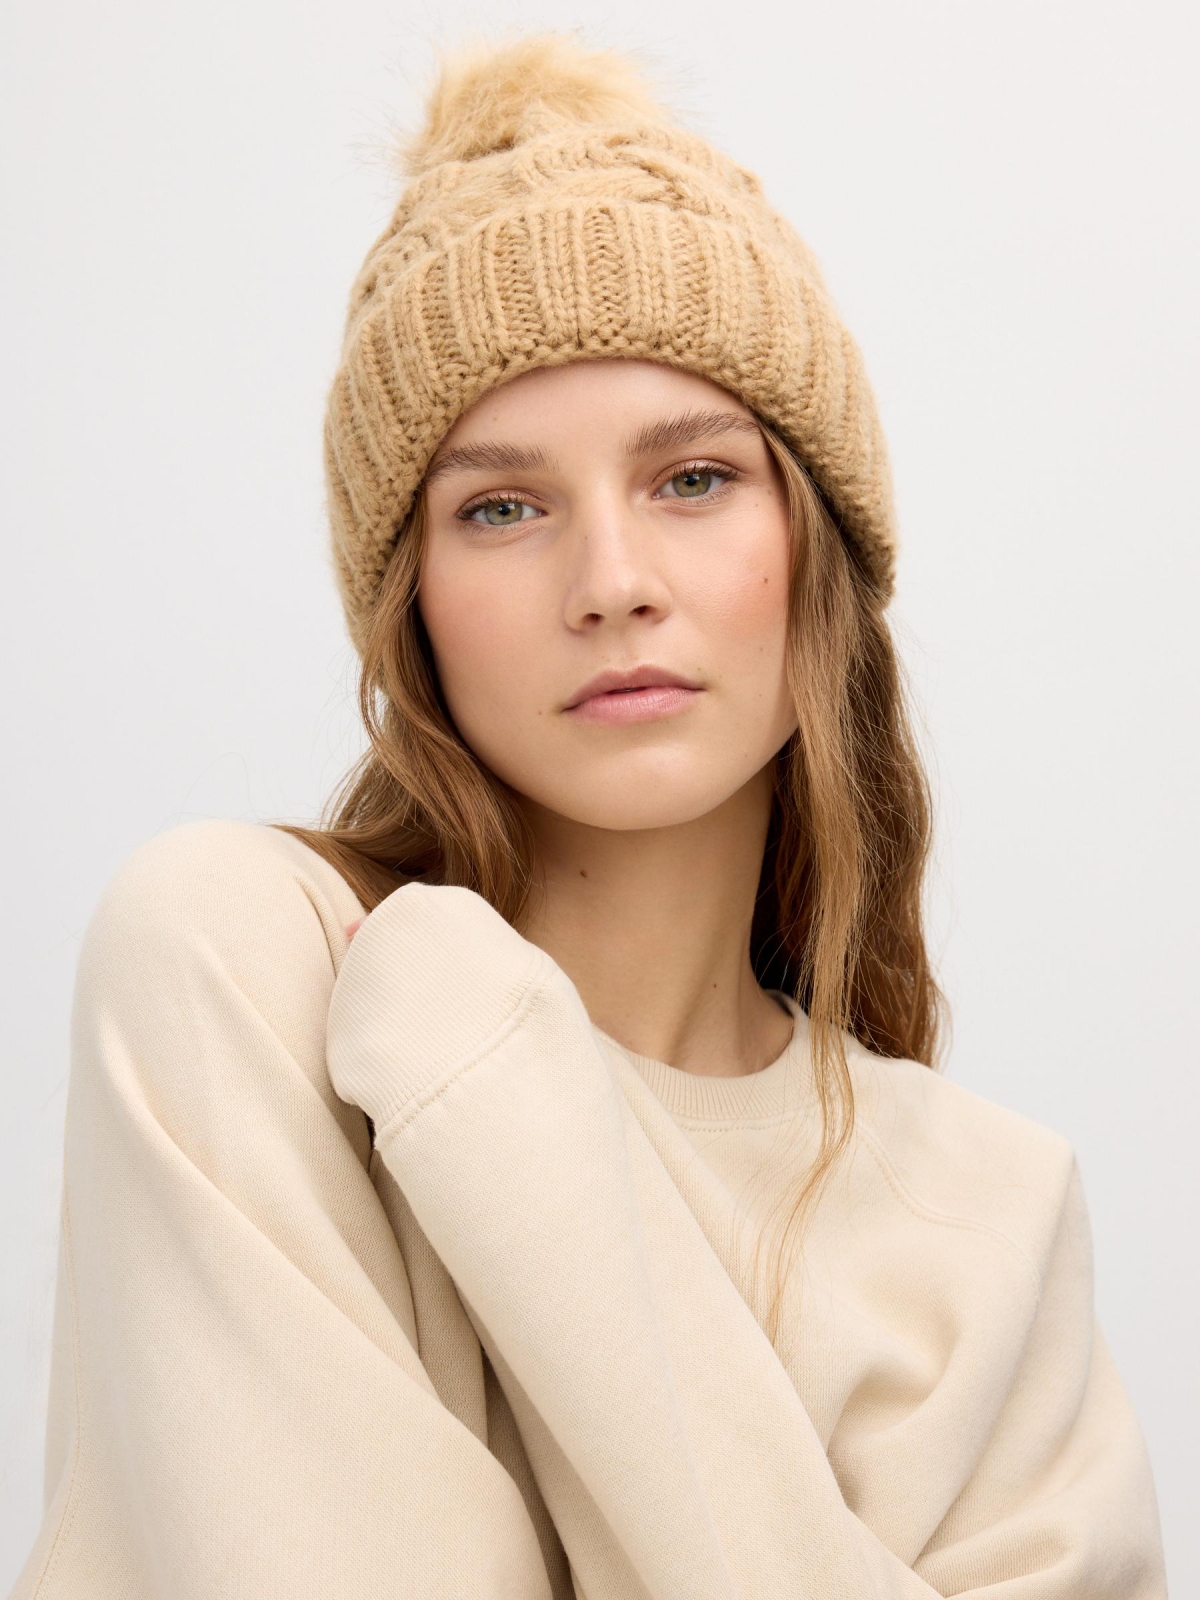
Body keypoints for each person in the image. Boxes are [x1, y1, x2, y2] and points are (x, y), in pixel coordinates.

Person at [10, 29, 1167, 1600]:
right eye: (502, 507)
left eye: (692, 479)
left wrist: (494, 1089)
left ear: (815, 542)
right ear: (414, 607)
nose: (612, 582)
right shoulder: (252, 969)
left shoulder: (991, 1216)